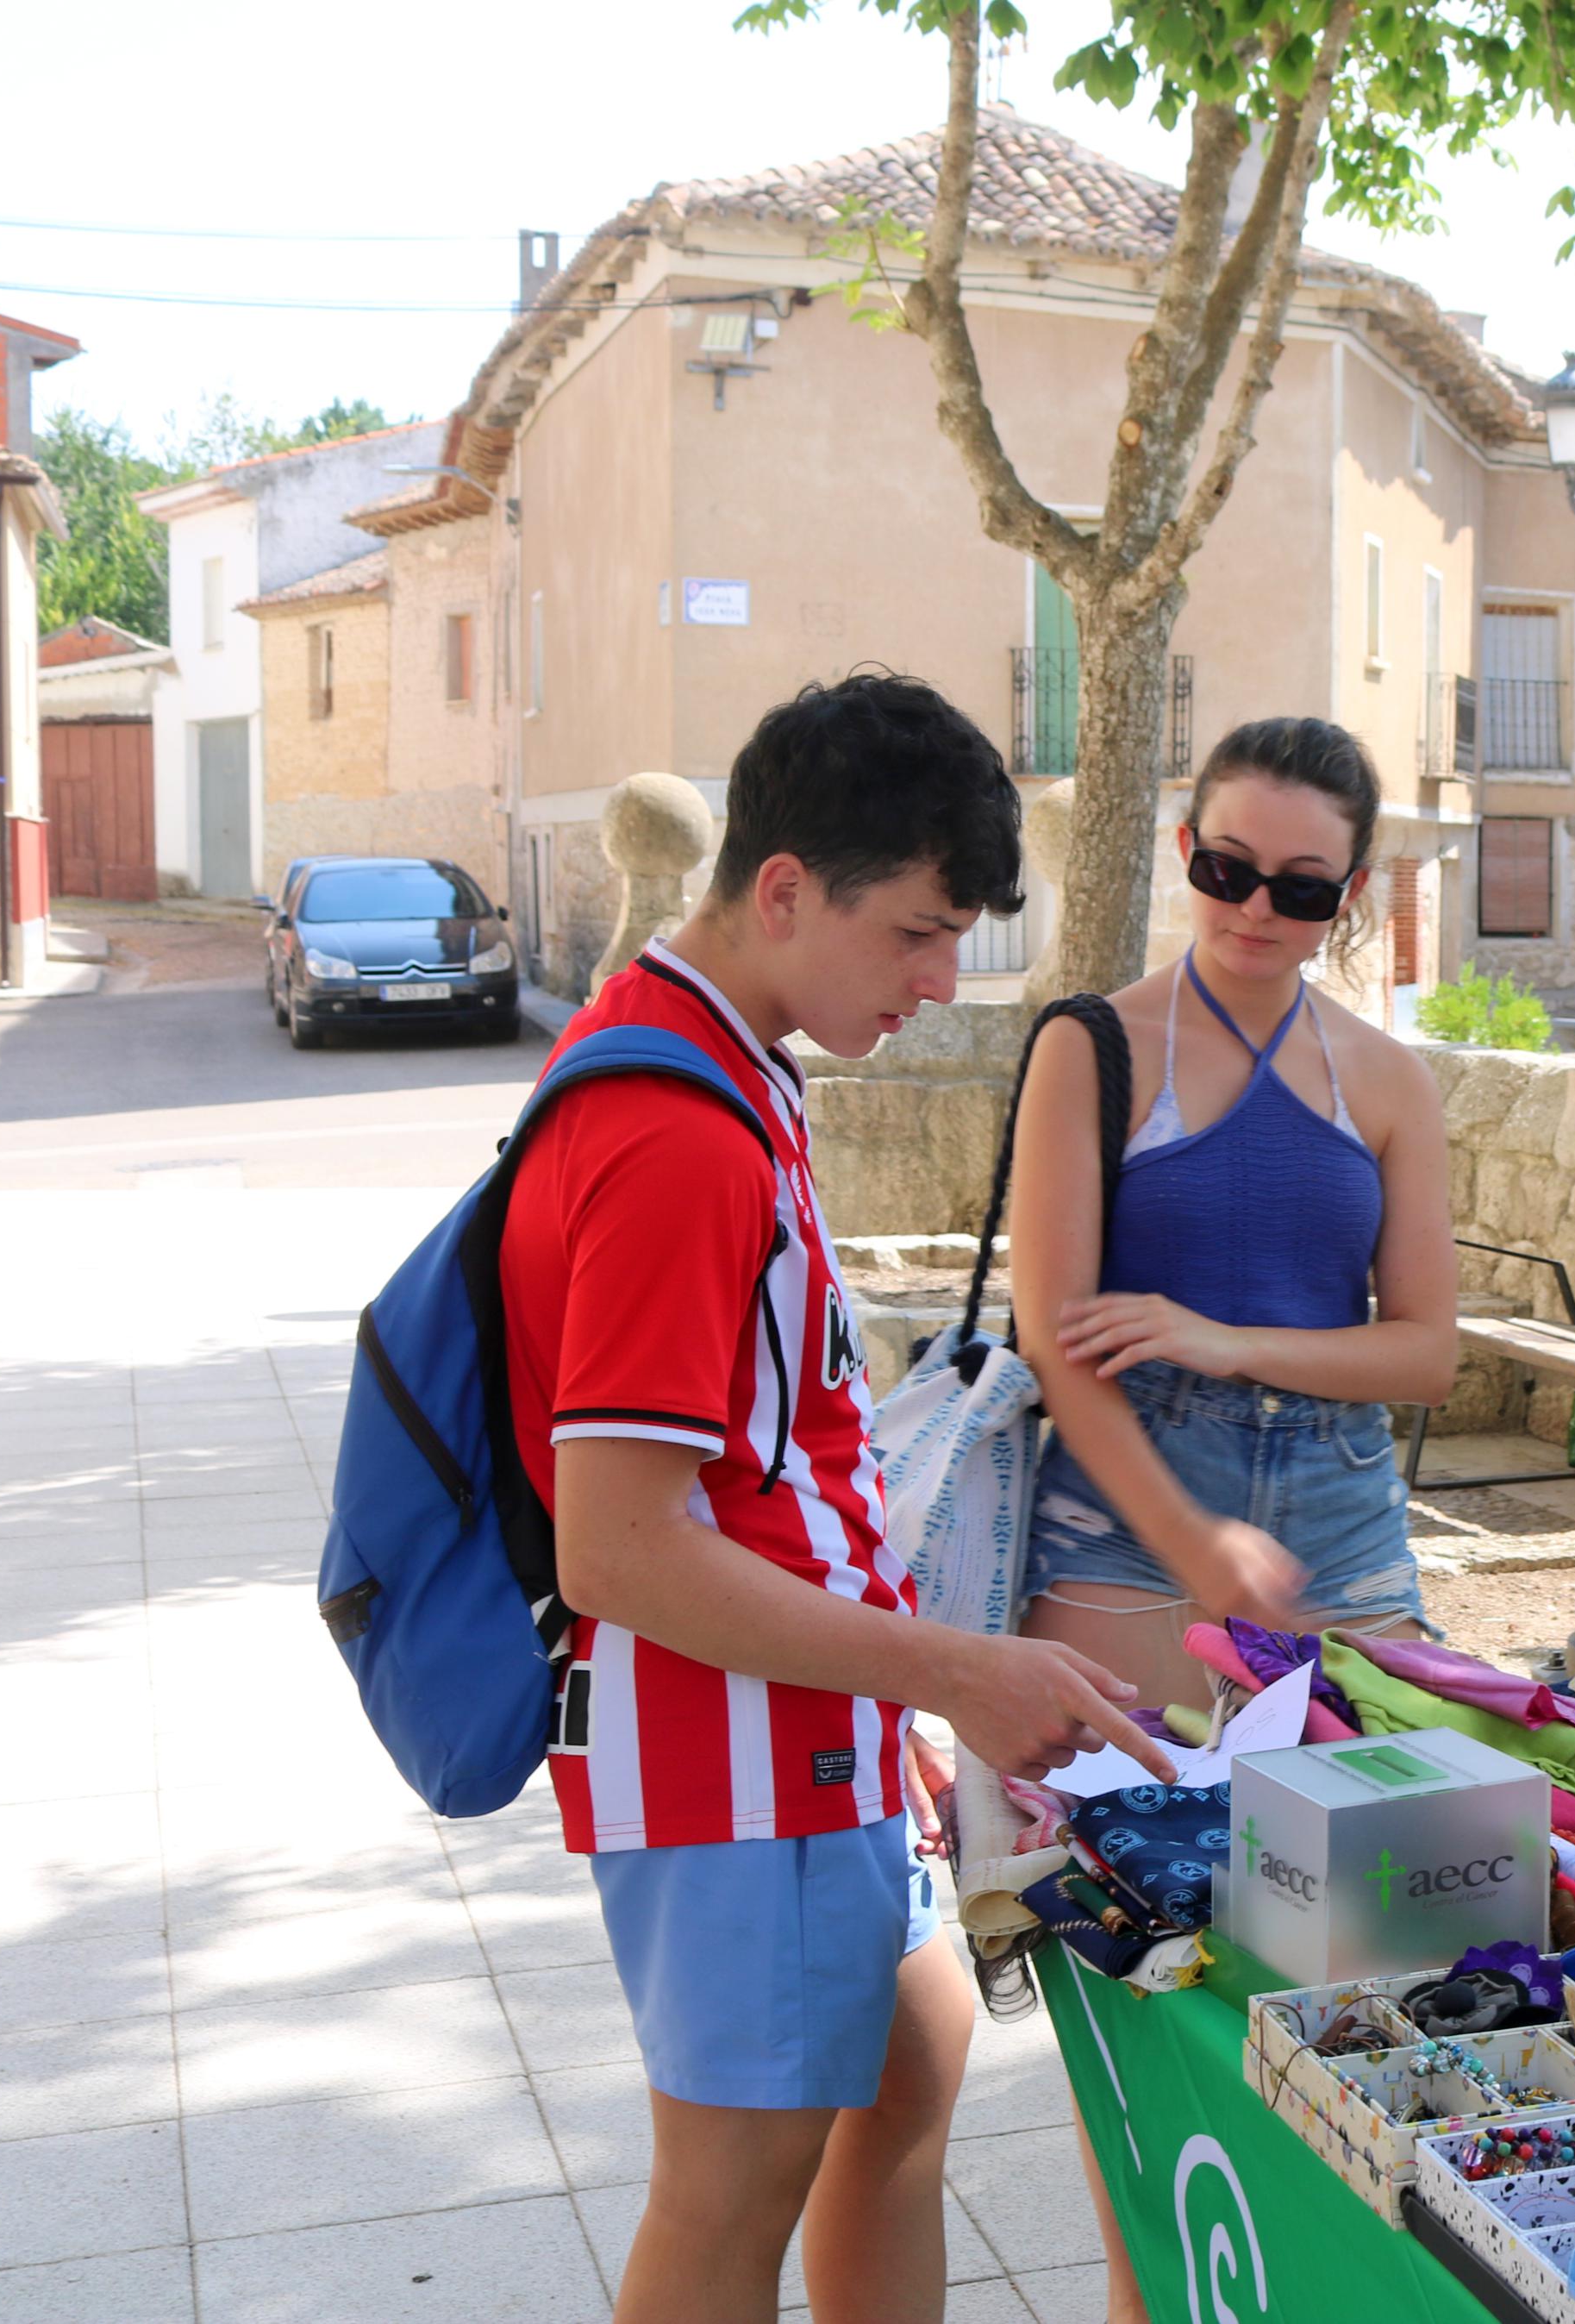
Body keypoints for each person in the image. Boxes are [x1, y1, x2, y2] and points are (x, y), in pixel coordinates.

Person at [503, 673, 1170, 2324]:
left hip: (815, 1734)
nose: (943, 985)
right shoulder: (675, 1127)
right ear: (784, 887)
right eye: (920, 933)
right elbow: (620, 1542)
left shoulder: (728, 1062)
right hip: (733, 1762)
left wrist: (903, 1715)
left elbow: (771, 1463)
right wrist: (955, 1673)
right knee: (730, 2201)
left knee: (907, 2076)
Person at [1005, 713, 1459, 1716]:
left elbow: (1427, 1354)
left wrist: (1225, 1340)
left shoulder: (1388, 1080)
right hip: (1128, 1503)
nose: (1254, 908)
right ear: (1184, 852)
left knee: (1373, 1857)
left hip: (1340, 1511)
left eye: (1298, 888)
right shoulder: (1091, 1047)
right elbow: (1053, 1338)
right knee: (1104, 1848)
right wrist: (1195, 1544)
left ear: (1347, 896)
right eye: (1226, 869)